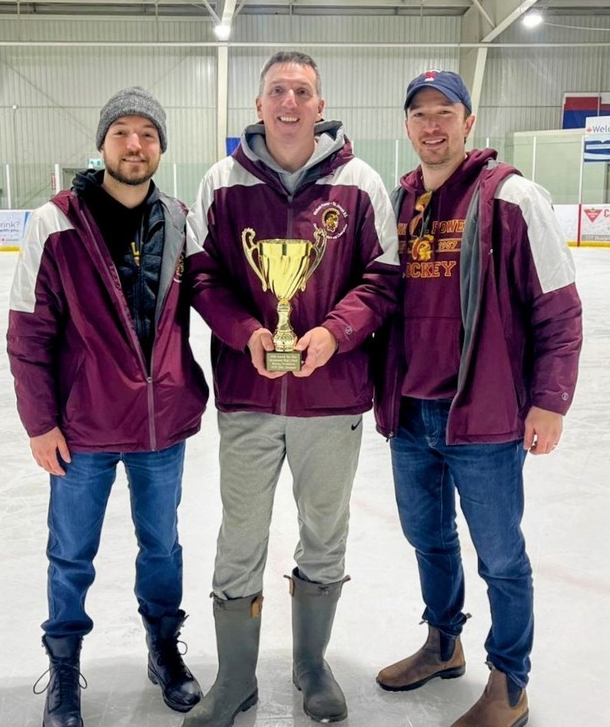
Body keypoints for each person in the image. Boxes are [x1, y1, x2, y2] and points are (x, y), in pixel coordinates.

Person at [182, 51, 399, 726]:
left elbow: (382, 279)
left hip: (331, 401)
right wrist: (248, 330)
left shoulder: (360, 182)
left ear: (319, 104)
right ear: (258, 105)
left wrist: (335, 332)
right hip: (249, 397)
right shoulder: (220, 182)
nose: (289, 102)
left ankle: (311, 665)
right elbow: (202, 275)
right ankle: (236, 681)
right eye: (278, 90)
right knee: (239, 539)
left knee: (324, 534)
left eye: (302, 91)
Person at [374, 69, 583, 727]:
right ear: (406, 126)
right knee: (429, 539)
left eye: (445, 112)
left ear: (469, 122)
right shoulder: (400, 203)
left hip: (484, 417)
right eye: (419, 114)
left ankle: (509, 681)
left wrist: (549, 401)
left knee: (500, 554)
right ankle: (443, 642)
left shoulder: (511, 197)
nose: (432, 125)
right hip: (412, 414)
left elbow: (559, 310)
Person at [7, 87, 209, 727]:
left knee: (163, 549)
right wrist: (40, 422)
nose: (134, 144)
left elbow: (215, 299)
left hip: (160, 427)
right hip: (82, 428)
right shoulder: (56, 221)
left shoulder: (179, 218)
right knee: (71, 553)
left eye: (148, 134)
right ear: (102, 143)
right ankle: (64, 668)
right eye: (122, 131)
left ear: (161, 147)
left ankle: (162, 649)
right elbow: (27, 333)